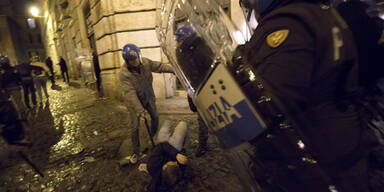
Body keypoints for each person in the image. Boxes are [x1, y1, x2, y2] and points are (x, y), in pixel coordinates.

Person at [236, 0, 370, 191]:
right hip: (340, 142)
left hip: (310, 155)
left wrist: (237, 86)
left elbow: (271, 99)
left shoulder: (287, 22)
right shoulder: (320, 13)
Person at [119, 43, 174, 163]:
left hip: (148, 97)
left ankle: (152, 137)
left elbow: (159, 67)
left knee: (155, 117)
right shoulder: (124, 73)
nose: (135, 62)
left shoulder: (146, 62)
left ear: (139, 55)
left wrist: (173, 70)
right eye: (131, 61)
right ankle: (136, 151)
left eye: (135, 59)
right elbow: (130, 94)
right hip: (134, 104)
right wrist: (140, 110)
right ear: (127, 61)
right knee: (135, 127)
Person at [174, 26, 211, 157]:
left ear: (185, 40)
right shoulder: (183, 52)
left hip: (204, 88)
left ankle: (203, 145)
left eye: (178, 40)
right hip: (196, 88)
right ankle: (204, 142)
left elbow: (205, 67)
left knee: (203, 117)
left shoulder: (199, 49)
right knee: (203, 116)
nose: (177, 43)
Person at [147, 120, 188, 192]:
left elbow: (161, 146)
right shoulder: (175, 175)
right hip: (175, 147)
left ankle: (169, 120)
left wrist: (175, 155)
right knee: (183, 124)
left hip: (163, 143)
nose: (176, 162)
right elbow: (182, 171)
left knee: (167, 123)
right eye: (175, 163)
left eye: (172, 162)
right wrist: (183, 161)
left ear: (164, 167)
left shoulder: (152, 166)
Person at [0, 56, 24, 144]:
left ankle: (21, 115)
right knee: (14, 104)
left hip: (10, 88)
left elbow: (17, 77)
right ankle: (21, 115)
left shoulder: (5, 71)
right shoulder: (10, 70)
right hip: (10, 88)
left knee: (14, 104)